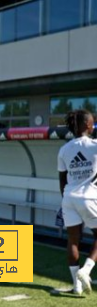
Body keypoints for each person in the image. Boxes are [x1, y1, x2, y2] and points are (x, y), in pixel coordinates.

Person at [58, 109, 97, 295]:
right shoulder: (95, 146)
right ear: (88, 125)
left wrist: (65, 201)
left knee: (73, 241)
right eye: (92, 122)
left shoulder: (64, 149)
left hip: (68, 198)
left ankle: (77, 287)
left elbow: (62, 179)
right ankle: (86, 271)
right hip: (89, 197)